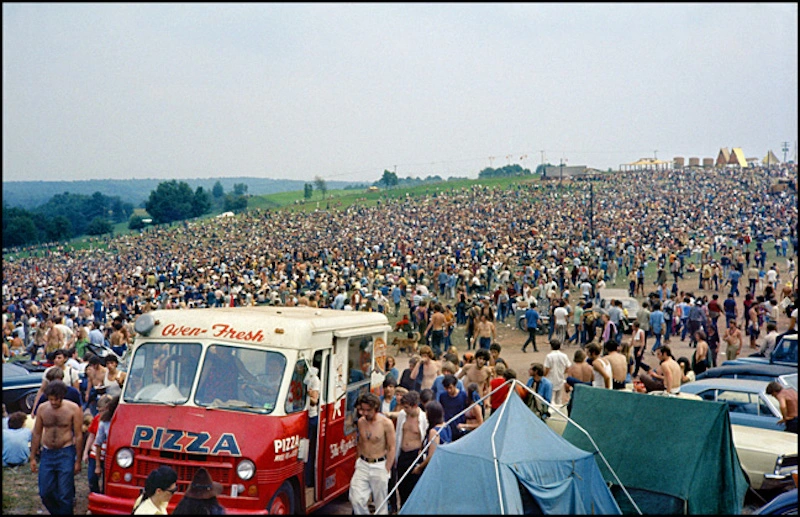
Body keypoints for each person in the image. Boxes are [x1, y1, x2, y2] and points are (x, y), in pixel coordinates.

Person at [30, 380, 84, 515]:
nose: (54, 402)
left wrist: (78, 460)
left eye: (57, 399)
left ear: (63, 396)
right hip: (47, 452)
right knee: (45, 492)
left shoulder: (73, 409)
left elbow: (78, 435)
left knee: (65, 494)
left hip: (65, 451)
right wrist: (32, 457)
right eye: (51, 399)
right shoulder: (42, 408)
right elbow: (37, 432)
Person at [349, 392, 395, 515]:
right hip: (363, 464)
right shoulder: (361, 422)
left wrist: (387, 469)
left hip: (379, 465)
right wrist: (357, 461)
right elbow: (360, 442)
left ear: (375, 408)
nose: (364, 413)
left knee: (380, 504)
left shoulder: (386, 424)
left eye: (368, 410)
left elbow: (391, 447)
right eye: (362, 410)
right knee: (356, 498)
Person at [393, 391, 427, 508]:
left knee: (414, 487)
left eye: (407, 407)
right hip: (403, 455)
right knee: (401, 486)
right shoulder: (403, 415)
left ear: (415, 406)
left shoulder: (423, 419)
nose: (405, 410)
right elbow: (398, 434)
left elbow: (426, 439)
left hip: (415, 455)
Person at [437, 374, 470, 441]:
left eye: (450, 388)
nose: (449, 390)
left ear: (455, 385)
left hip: (459, 427)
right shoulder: (443, 396)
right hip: (447, 427)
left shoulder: (463, 395)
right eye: (446, 388)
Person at [304, 366, 321, 490]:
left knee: (308, 451)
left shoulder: (314, 380)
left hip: (312, 417)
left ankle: (308, 479)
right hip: (305, 417)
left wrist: (308, 395)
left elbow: (315, 400)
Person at [543, 338, 571, 404]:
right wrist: (563, 372)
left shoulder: (549, 356)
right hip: (560, 378)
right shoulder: (564, 356)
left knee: (551, 398)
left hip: (551, 379)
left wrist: (544, 376)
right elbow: (568, 367)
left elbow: (547, 368)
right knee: (559, 398)